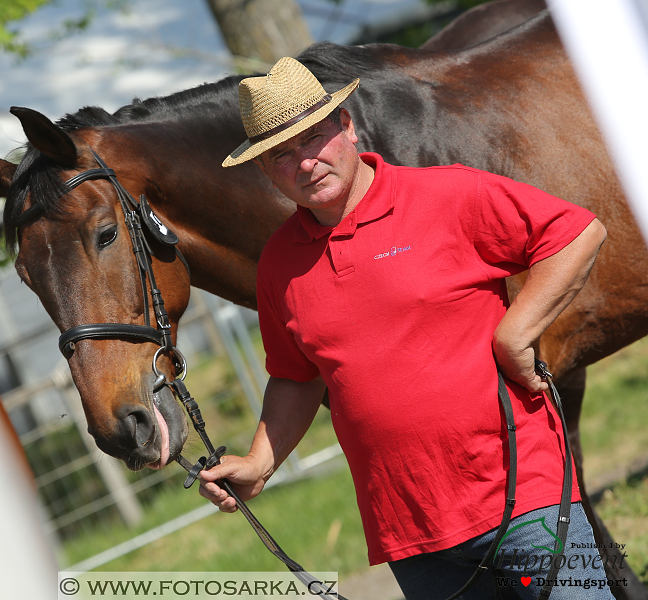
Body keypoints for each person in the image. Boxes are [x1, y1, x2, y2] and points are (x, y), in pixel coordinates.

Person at [200, 57, 613, 599]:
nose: (304, 163)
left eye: (314, 138)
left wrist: (515, 336)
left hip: (525, 498)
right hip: (411, 532)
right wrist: (259, 462)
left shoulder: (446, 195)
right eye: (281, 155)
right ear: (264, 171)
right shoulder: (278, 264)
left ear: (346, 126)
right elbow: (297, 377)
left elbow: (576, 232)